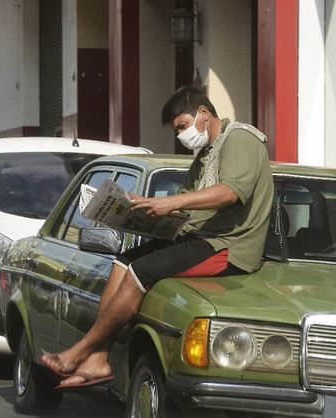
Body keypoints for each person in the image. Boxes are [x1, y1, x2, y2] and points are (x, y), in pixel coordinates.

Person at [41, 86, 274, 389]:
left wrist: (172, 203)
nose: (181, 135)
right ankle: (99, 359)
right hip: (200, 236)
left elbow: (230, 193)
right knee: (124, 262)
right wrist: (138, 207)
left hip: (227, 245)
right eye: (176, 129)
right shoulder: (206, 153)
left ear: (203, 113)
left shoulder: (241, 139)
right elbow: (188, 199)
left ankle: (80, 352)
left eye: (182, 125)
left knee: (142, 272)